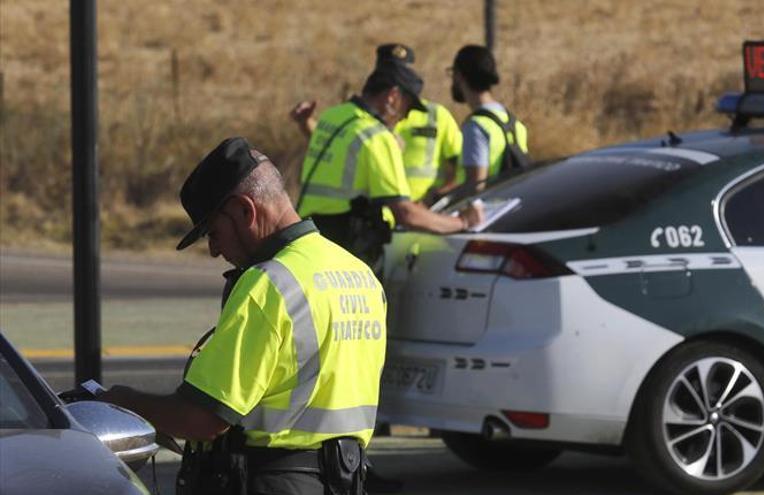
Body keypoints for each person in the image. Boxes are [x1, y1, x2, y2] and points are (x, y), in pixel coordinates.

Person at [98, 137, 386, 495]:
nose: (214, 249)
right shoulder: (359, 274)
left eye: (213, 232)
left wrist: (122, 402)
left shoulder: (270, 283)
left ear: (244, 211)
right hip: (343, 481)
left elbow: (203, 418)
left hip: (273, 482)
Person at [296, 57, 482, 272]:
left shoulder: (333, 116)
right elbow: (406, 214)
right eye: (407, 108)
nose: (404, 118)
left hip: (311, 236)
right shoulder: (376, 136)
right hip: (349, 249)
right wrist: (462, 222)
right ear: (393, 97)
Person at [291, 43, 463, 205]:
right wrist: (306, 123)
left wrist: (436, 197)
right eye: (386, 72)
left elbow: (462, 167)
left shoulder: (435, 115)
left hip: (419, 214)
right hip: (379, 215)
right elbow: (338, 150)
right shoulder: (362, 120)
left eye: (400, 72)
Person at [449, 44, 528, 191]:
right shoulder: (513, 122)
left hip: (488, 210)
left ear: (459, 76)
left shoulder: (476, 126)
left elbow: (476, 185)